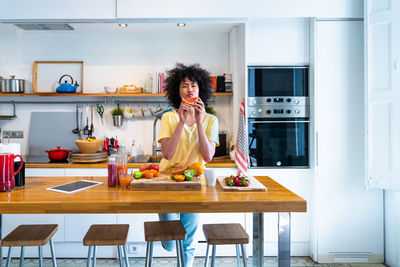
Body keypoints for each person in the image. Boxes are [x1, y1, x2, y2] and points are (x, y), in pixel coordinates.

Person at [157, 63, 219, 267]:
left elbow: (208, 156)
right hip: (167, 181)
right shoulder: (168, 117)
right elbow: (167, 153)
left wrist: (199, 122)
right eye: (184, 85)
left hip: (194, 183)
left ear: (201, 89)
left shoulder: (210, 120)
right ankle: (169, 245)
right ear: (178, 90)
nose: (189, 89)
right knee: (169, 242)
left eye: (193, 85)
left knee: (188, 239)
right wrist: (182, 121)